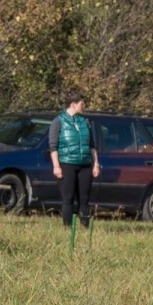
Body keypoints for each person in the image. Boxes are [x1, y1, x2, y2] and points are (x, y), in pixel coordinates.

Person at [49, 89, 99, 228]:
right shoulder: (58, 121)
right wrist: (56, 166)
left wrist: (96, 164)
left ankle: (85, 227)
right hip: (67, 164)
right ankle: (68, 228)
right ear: (73, 104)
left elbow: (92, 145)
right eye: (81, 104)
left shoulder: (85, 122)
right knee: (68, 198)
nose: (83, 106)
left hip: (85, 164)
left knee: (84, 199)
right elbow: (53, 146)